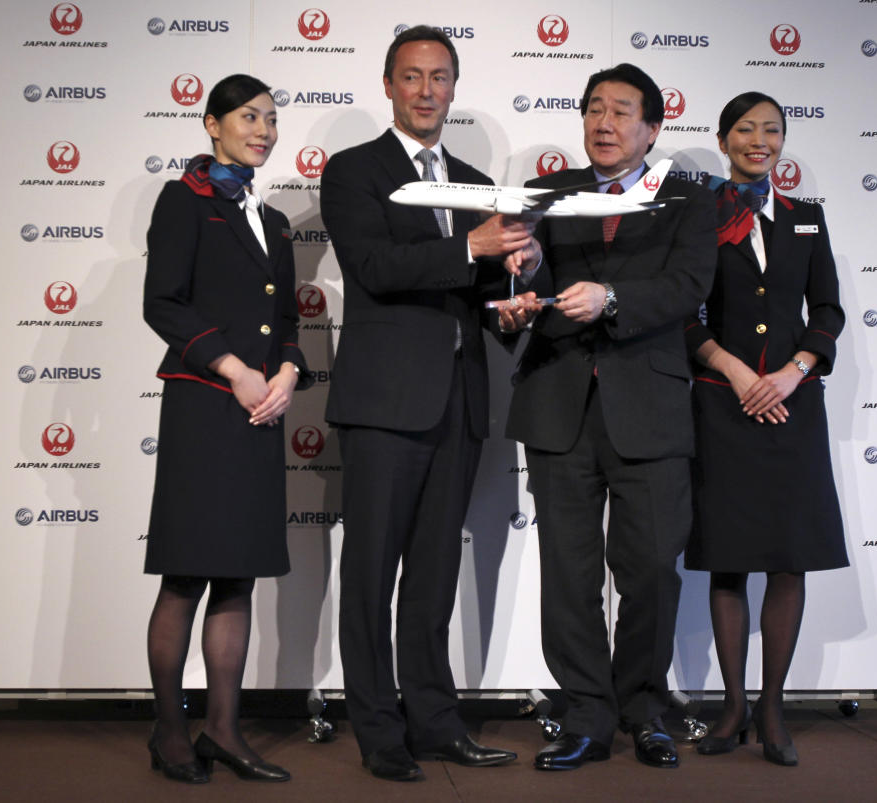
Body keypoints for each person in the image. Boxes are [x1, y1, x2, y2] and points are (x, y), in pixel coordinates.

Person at [319, 26, 536, 782]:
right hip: (385, 404)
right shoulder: (354, 171)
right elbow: (373, 266)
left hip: (461, 403)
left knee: (435, 574)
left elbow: (476, 287)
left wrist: (510, 292)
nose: (425, 90)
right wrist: (471, 250)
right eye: (411, 76)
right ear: (388, 85)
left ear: (453, 87)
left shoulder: (476, 180)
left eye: (439, 77)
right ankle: (379, 730)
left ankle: (436, 721)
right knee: (372, 575)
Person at [505, 64, 717, 770]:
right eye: (594, 108)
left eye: (622, 111)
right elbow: (515, 281)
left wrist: (613, 298)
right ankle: (586, 715)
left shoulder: (686, 198)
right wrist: (521, 275)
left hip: (650, 405)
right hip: (557, 402)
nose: (605, 122)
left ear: (652, 127)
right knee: (568, 573)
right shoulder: (547, 192)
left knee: (654, 567)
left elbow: (688, 285)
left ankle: (645, 709)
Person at [142, 73, 311, 784]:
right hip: (205, 406)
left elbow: (291, 324)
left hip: (258, 412)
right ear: (212, 124)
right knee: (186, 575)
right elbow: (163, 304)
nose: (264, 129)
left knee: (237, 578)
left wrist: (289, 373)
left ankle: (223, 729)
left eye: (272, 118)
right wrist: (236, 368)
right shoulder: (185, 198)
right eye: (249, 116)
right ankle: (170, 729)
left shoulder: (272, 221)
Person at [684, 92, 847, 766]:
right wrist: (737, 372)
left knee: (787, 556)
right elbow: (684, 311)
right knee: (728, 557)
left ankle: (772, 706)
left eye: (772, 130)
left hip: (793, 406)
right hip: (723, 404)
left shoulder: (806, 220)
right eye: (746, 129)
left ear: (783, 141)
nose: (760, 140)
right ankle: (731, 706)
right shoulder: (699, 215)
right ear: (723, 140)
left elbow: (828, 309)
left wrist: (794, 370)